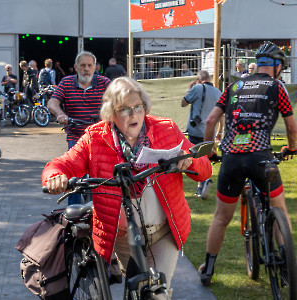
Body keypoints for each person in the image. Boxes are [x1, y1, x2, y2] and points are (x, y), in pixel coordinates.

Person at [42, 77, 212, 297]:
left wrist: (189, 161)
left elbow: (204, 168)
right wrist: (55, 176)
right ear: (111, 112)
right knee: (135, 287)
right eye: (124, 109)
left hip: (163, 232)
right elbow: (62, 163)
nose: (133, 114)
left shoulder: (166, 129)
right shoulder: (95, 138)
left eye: (137, 107)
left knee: (157, 292)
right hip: (123, 237)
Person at [199, 41, 297, 286]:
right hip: (261, 158)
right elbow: (292, 126)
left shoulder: (234, 86)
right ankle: (286, 266)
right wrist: (292, 147)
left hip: (231, 158)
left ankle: (208, 268)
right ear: (277, 67)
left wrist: (211, 151)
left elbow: (211, 121)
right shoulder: (277, 87)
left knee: (221, 217)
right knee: (280, 209)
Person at [47, 51, 110, 204]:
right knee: (74, 177)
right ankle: (72, 215)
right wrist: (61, 115)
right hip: (76, 136)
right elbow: (52, 103)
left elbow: (119, 99)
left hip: (101, 135)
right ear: (76, 67)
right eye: (82, 65)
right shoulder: (66, 82)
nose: (86, 69)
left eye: (90, 65)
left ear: (95, 67)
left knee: (105, 176)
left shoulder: (105, 83)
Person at [182, 70, 223, 200]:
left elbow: (183, 103)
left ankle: (203, 182)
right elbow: (222, 115)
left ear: (198, 80)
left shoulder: (197, 88)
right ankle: (201, 186)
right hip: (210, 130)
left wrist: (190, 89)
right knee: (206, 156)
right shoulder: (218, 92)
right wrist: (220, 131)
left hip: (196, 130)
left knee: (197, 158)